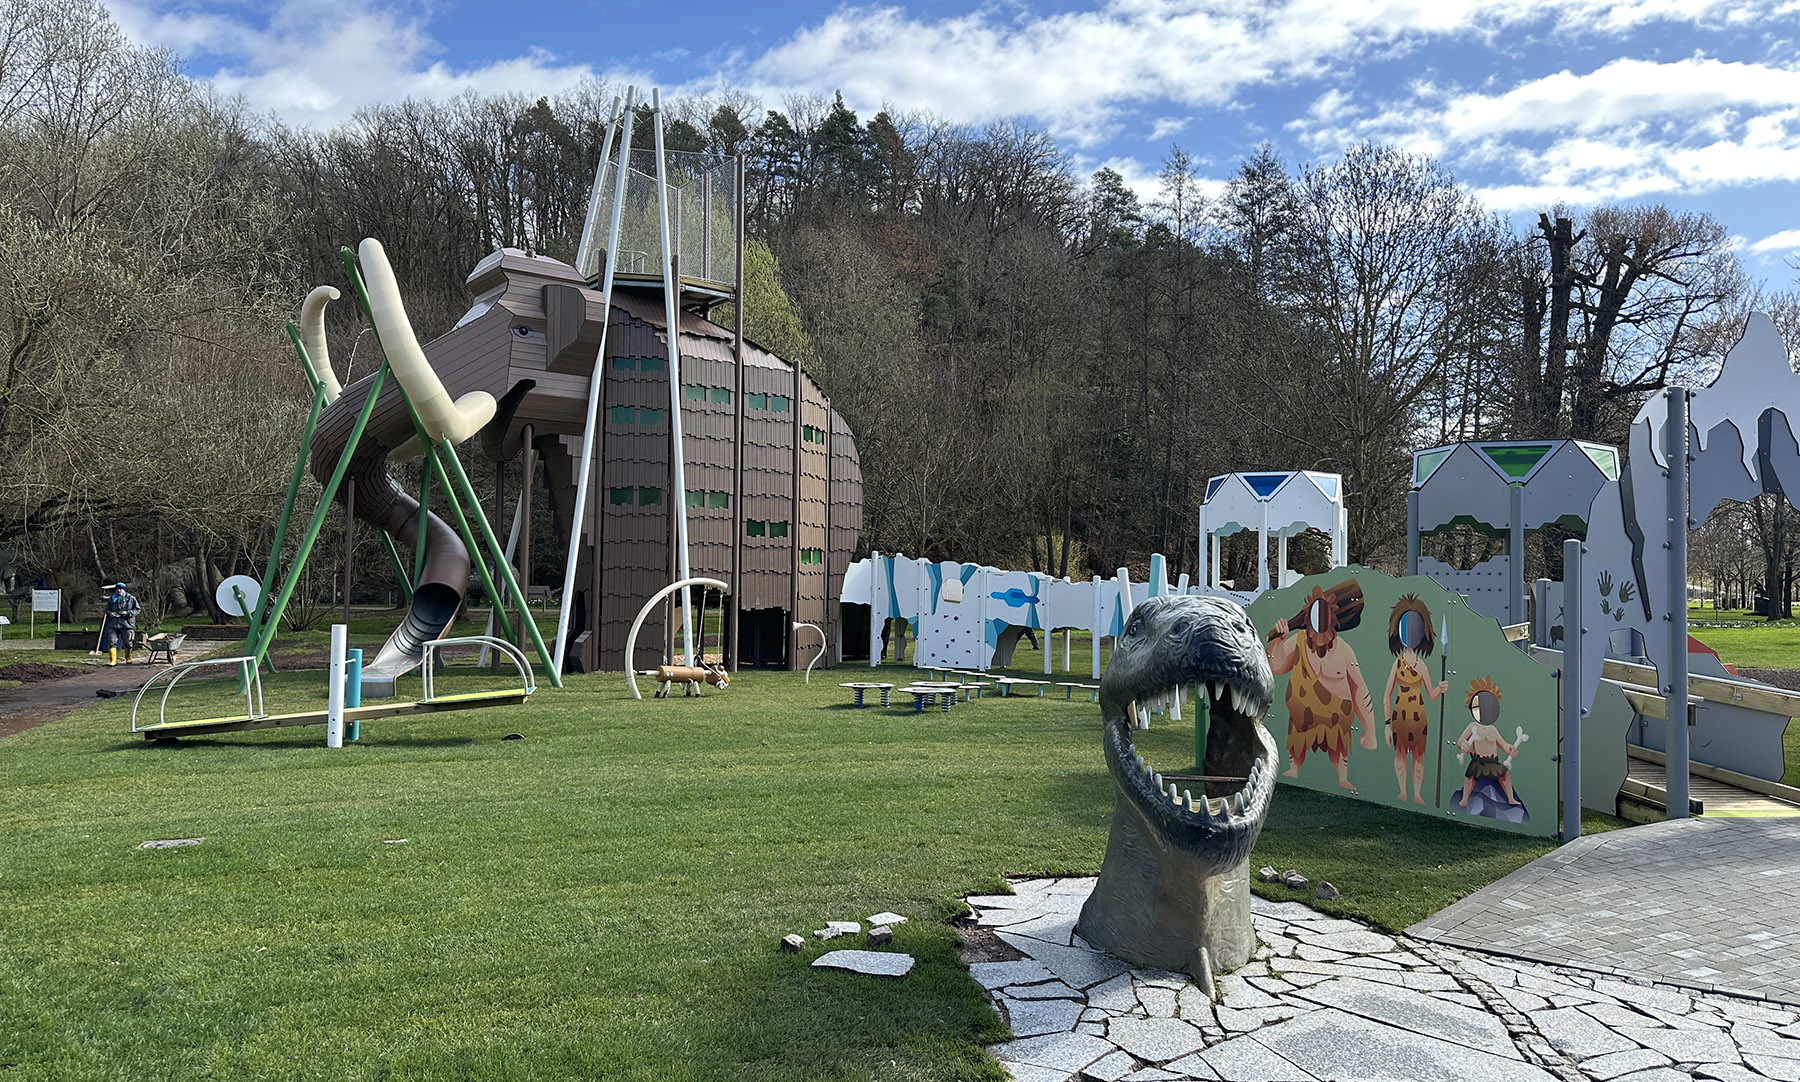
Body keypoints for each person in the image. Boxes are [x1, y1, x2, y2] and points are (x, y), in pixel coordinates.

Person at [102, 581, 141, 666]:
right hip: (113, 624)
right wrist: (110, 613)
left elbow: (137, 610)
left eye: (120, 589)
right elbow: (106, 609)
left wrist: (128, 613)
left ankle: (128, 657)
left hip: (126, 624)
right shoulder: (112, 599)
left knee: (128, 642)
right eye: (117, 589)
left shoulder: (131, 598)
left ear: (124, 590)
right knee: (111, 641)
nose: (118, 590)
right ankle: (113, 660)